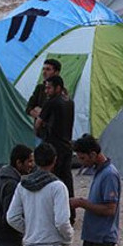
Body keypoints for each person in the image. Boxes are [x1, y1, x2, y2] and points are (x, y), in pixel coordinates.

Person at [35, 75, 76, 224]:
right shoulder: (69, 102)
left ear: (58, 87)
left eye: (49, 87)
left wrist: (38, 131)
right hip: (66, 145)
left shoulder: (51, 102)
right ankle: (70, 213)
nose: (46, 91)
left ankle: (56, 214)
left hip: (54, 147)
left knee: (52, 181)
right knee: (67, 180)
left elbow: (38, 123)